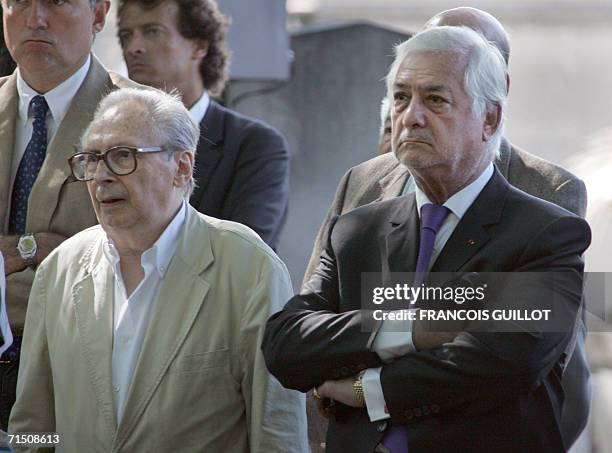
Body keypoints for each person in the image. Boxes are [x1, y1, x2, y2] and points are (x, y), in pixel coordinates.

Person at [263, 26, 591, 452]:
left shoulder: (548, 233)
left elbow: (501, 363)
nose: (411, 116)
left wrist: (364, 388)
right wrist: (410, 328)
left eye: (435, 100)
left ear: (489, 118)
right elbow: (287, 344)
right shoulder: (357, 230)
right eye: (401, 97)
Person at [9, 87, 308, 452]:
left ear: (181, 167)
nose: (101, 176)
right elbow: (33, 427)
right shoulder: (60, 269)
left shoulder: (248, 268)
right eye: (91, 159)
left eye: (122, 156)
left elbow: (278, 433)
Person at [0, 0, 137, 429]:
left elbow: (135, 261)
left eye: (57, 2)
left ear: (100, 15)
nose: (35, 18)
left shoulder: (141, 120)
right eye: (19, 1)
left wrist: (26, 253)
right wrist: (41, 250)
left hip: (86, 374)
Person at [116, 0, 290, 250]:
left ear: (198, 46)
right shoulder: (109, 140)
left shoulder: (254, 145)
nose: (134, 47)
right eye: (126, 35)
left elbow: (244, 256)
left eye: (153, 31)